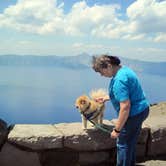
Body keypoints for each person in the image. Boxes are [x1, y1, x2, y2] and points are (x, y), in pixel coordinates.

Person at [91, 54, 149, 166]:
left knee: (123, 144)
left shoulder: (119, 80)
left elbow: (125, 107)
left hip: (132, 115)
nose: (101, 75)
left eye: (101, 71)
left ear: (108, 66)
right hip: (142, 110)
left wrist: (117, 130)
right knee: (130, 142)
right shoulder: (124, 70)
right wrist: (107, 97)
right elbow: (128, 93)